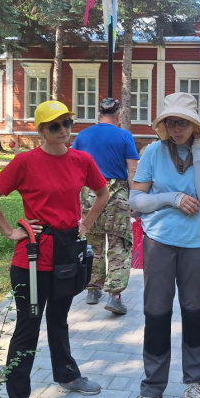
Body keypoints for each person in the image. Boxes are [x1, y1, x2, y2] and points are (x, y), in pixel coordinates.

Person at [0, 100, 110, 398]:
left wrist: (87, 223)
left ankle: (67, 376)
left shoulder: (81, 160)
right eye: (55, 126)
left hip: (66, 254)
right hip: (32, 260)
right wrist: (10, 232)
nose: (63, 131)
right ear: (41, 130)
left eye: (67, 123)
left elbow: (102, 192)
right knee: (28, 326)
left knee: (59, 320)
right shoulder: (25, 162)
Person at [129, 92, 200, 398]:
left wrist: (197, 154)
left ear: (194, 124)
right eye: (171, 121)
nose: (177, 127)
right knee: (155, 312)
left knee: (194, 310)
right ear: (164, 125)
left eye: (182, 121)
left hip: (196, 243)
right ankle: (152, 387)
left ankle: (194, 381)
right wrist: (171, 198)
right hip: (159, 240)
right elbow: (134, 200)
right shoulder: (153, 152)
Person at [72, 97, 140, 314]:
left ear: (98, 115)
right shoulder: (124, 135)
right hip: (117, 196)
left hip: (89, 195)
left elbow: (73, 167)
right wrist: (135, 200)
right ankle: (115, 295)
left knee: (93, 243)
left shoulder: (83, 136)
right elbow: (132, 171)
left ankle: (93, 289)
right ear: (118, 115)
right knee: (119, 244)